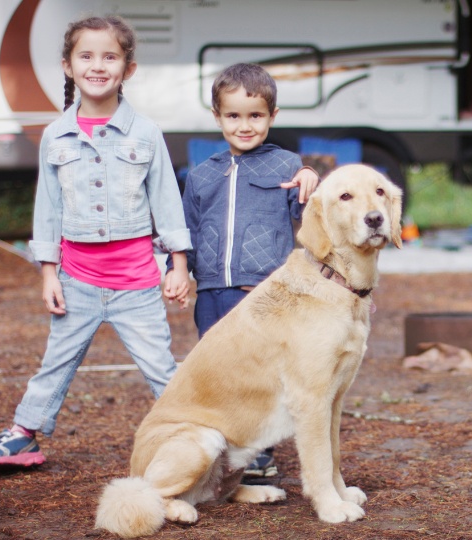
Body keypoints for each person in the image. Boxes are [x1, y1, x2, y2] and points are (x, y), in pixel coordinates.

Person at [0, 15, 192, 474]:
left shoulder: (145, 133)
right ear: (68, 66)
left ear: (127, 69)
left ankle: (195, 434)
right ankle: (23, 436)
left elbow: (167, 201)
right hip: (78, 281)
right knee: (55, 364)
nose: (98, 65)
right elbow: (47, 209)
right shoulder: (56, 135)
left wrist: (178, 264)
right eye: (86, 56)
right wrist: (49, 273)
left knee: (162, 368)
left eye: (110, 56)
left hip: (137, 282)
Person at [179, 63, 320, 481]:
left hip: (262, 293)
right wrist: (179, 271)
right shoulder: (202, 175)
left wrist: (312, 178)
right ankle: (225, 447)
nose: (245, 125)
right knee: (219, 371)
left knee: (263, 372)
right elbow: (185, 229)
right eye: (233, 116)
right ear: (217, 117)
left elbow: (310, 216)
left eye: (255, 115)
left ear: (272, 117)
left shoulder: (287, 165)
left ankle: (259, 453)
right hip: (211, 293)